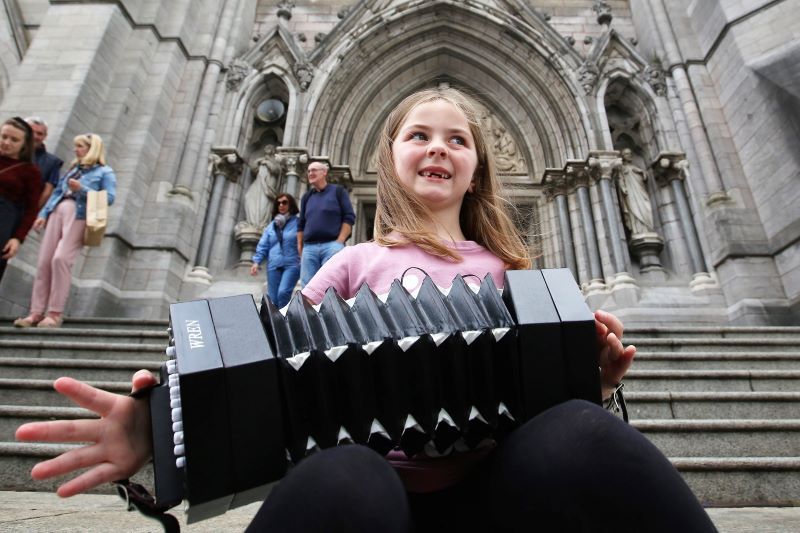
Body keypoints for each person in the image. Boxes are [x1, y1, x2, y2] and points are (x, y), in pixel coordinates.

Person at [15, 89, 717, 533]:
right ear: (388, 161)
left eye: (458, 138)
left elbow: (543, 398)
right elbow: (271, 367)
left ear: (479, 167)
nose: (439, 145)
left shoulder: (518, 274)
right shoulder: (351, 265)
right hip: (377, 500)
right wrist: (166, 428)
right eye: (419, 134)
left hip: (501, 495)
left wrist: (590, 379)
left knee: (582, 434)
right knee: (344, 473)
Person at [13, 133, 116, 328]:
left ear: (92, 148)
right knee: (44, 261)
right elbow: (58, 193)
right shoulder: (73, 170)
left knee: (61, 259)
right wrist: (43, 214)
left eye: (80, 146)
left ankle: (54, 313)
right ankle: (35, 313)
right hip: (57, 212)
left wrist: (82, 189)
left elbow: (109, 198)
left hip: (78, 216)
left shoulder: (105, 172)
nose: (76, 150)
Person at [296, 161, 356, 286]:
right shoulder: (307, 197)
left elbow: (349, 218)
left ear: (324, 172)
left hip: (331, 246)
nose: (310, 173)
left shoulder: (338, 192)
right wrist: (300, 247)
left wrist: (339, 242)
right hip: (309, 248)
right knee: (307, 288)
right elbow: (301, 223)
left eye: (314, 170)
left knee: (331, 286)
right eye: (308, 171)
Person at [0, 117, 42, 283]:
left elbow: (31, 210)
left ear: (24, 144)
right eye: (4, 137)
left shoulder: (31, 172)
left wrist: (17, 238)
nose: (7, 142)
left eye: (14, 139)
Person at [249, 193, 301, 308]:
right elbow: (263, 245)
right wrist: (256, 262)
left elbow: (304, 242)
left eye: (284, 202)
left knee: (283, 293)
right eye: (278, 203)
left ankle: (283, 321)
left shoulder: (298, 223)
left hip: (292, 264)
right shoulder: (271, 226)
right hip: (273, 264)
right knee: (272, 299)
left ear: (291, 204)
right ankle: (275, 323)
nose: (281, 205)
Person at [26, 117, 64, 209]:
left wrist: (32, 212)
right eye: (31, 131)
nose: (35, 136)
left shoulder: (53, 162)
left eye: (39, 134)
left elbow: (47, 193)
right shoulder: (7, 152)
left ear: (45, 136)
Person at [616, 147, 655, 235]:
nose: (629, 155)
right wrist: (623, 188)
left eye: (630, 153)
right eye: (627, 154)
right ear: (623, 156)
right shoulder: (622, 168)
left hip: (640, 192)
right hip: (631, 194)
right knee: (634, 210)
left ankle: (647, 228)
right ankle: (638, 230)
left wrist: (643, 174)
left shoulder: (636, 168)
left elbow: (644, 176)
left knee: (645, 208)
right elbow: (620, 179)